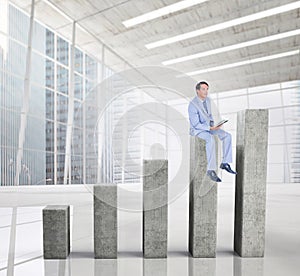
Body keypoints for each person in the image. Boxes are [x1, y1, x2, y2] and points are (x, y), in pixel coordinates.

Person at [188, 81, 236, 182]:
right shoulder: (192, 105)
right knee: (210, 139)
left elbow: (208, 116)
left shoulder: (208, 101)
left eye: (207, 89)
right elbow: (196, 124)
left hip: (209, 127)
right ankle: (211, 170)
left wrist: (215, 125)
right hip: (197, 130)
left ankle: (225, 163)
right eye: (203, 89)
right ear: (198, 91)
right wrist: (210, 129)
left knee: (227, 136)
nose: (206, 91)